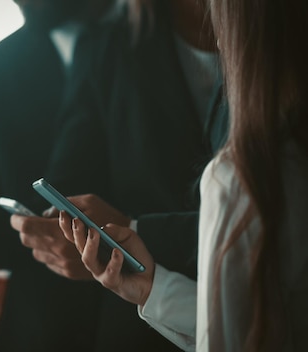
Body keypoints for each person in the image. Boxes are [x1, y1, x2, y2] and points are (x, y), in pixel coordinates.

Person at [0, 0, 226, 351]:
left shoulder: (263, 32)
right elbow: (61, 198)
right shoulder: (107, 47)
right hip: (139, 318)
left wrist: (136, 231)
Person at [60, 0, 308, 350]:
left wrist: (135, 230)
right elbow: (258, 327)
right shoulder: (107, 47)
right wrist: (154, 289)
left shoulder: (236, 179)